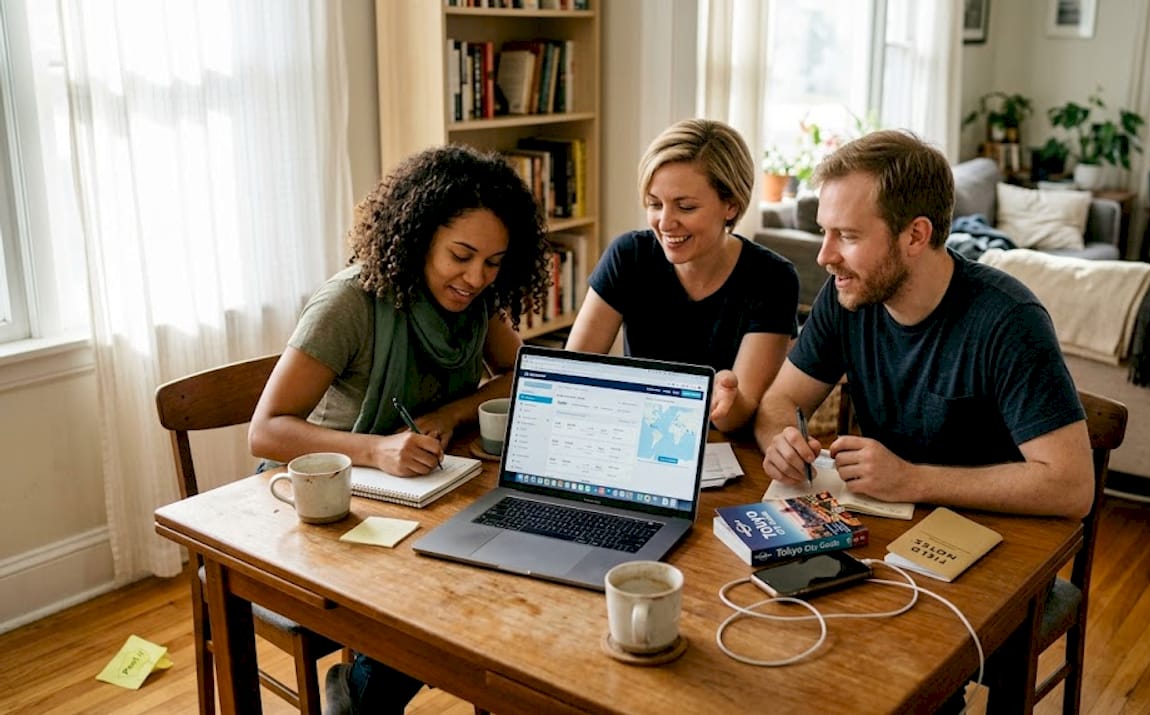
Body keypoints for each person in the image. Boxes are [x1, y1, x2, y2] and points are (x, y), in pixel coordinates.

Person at [248, 144, 551, 714]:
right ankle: (362, 700)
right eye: (461, 255)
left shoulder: (476, 301)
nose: (475, 278)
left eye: (493, 262)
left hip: (419, 492)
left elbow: (521, 372)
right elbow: (265, 432)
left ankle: (361, 694)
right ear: (419, 236)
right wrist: (375, 450)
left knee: (501, 568)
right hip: (326, 498)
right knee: (443, 587)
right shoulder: (349, 302)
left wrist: (449, 414)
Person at [754, 130, 1093, 520]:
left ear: (915, 235)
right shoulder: (845, 294)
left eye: (847, 236)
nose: (825, 256)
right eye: (823, 232)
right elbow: (780, 402)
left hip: (996, 541)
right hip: (889, 530)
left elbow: (1072, 487)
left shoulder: (1010, 319)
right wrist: (781, 442)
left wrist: (913, 479)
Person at [564, 118, 799, 433]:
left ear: (731, 205)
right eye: (654, 204)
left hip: (725, 450)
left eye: (685, 207)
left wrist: (727, 398)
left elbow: (738, 415)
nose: (665, 222)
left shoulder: (772, 278)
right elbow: (571, 374)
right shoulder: (629, 256)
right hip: (638, 437)